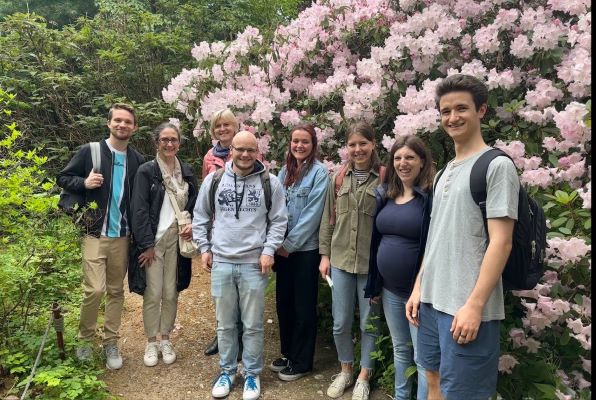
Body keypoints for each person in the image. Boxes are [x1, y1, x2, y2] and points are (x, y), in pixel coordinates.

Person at [406, 74, 519, 400]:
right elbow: (436, 238)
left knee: (464, 394)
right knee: (433, 381)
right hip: (431, 301)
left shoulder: (496, 166)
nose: (452, 117)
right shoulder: (443, 172)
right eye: (445, 111)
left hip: (467, 307)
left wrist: (475, 305)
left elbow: (502, 241)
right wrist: (418, 288)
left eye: (461, 109)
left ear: (481, 110)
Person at [193, 131, 288, 400]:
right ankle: (226, 371)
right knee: (225, 324)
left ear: (258, 151)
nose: (245, 155)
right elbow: (200, 216)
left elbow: (279, 220)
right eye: (239, 149)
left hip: (253, 264)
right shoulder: (215, 179)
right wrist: (204, 247)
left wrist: (269, 250)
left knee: (253, 324)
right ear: (230, 150)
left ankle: (251, 373)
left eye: (250, 150)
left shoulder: (270, 182)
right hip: (222, 261)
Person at [57, 103, 145, 370]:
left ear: (134, 127)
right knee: (94, 290)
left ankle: (111, 342)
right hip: (94, 232)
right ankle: (84, 341)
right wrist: (83, 183)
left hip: (122, 236)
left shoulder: (136, 159)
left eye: (127, 122)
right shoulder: (90, 151)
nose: (122, 125)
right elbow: (63, 177)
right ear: (109, 123)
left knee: (116, 292)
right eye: (117, 120)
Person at [364, 135, 434, 400]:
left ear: (422, 161)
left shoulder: (429, 198)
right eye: (397, 158)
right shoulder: (387, 194)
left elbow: (434, 246)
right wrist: (376, 283)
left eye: (410, 157)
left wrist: (419, 288)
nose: (403, 163)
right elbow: (377, 241)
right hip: (391, 290)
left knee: (424, 358)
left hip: (420, 294)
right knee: (400, 349)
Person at [319, 122, 384, 400]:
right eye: (353, 144)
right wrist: (324, 255)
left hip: (372, 266)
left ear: (373, 145)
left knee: (369, 323)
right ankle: (345, 369)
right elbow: (327, 220)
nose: (358, 149)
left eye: (363, 144)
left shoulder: (385, 178)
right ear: (347, 147)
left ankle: (364, 375)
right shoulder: (337, 178)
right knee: (340, 321)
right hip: (341, 262)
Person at [130, 123, 198, 367]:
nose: (169, 144)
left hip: (177, 239)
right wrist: (145, 244)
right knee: (153, 292)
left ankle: (166, 338)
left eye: (174, 140)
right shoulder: (146, 171)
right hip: (154, 240)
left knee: (171, 291)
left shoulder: (187, 171)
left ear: (179, 143)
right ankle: (151, 341)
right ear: (156, 142)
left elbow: (194, 204)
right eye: (164, 140)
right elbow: (138, 210)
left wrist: (192, 226)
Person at [270, 124, 329, 381]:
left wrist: (288, 246)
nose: (299, 146)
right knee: (284, 303)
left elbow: (312, 216)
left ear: (313, 145)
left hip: (303, 251)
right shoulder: (285, 172)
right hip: (281, 250)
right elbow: (275, 209)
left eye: (305, 142)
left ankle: (303, 361)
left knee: (303, 306)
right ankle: (288, 353)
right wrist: (274, 244)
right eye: (295, 141)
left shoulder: (319, 174)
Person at [201, 108, 262, 356]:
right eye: (218, 126)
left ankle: (242, 345)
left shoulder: (247, 151)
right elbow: (207, 193)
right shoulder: (209, 157)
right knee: (224, 297)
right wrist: (207, 239)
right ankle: (224, 337)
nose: (223, 129)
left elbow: (258, 188)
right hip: (222, 228)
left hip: (247, 233)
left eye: (227, 125)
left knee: (245, 297)